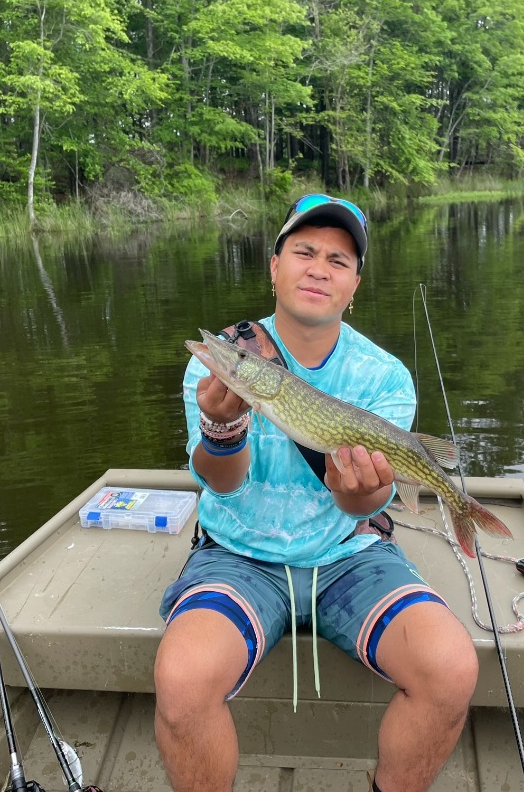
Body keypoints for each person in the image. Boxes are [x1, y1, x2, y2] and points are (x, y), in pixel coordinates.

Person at [153, 194, 478, 792]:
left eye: (339, 259)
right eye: (303, 251)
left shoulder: (384, 376)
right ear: (274, 265)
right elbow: (219, 480)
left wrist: (359, 492)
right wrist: (222, 431)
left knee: (452, 669)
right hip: (239, 553)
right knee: (181, 679)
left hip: (348, 553)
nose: (319, 267)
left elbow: (364, 506)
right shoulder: (224, 359)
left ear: (355, 283)